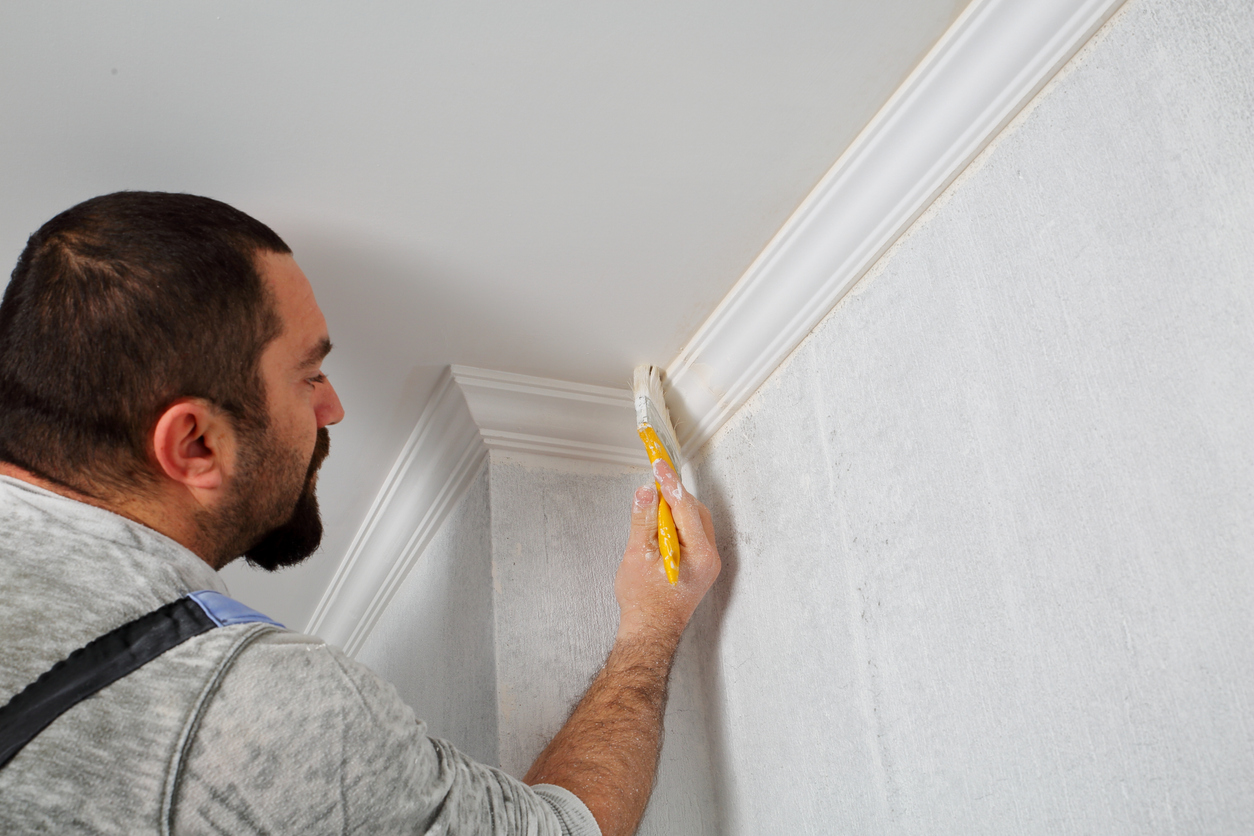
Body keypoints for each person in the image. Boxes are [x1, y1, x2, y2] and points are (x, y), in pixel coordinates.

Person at [0, 192, 721, 835]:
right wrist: (651, 627)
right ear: (194, 443)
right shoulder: (241, 711)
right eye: (308, 375)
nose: (333, 407)